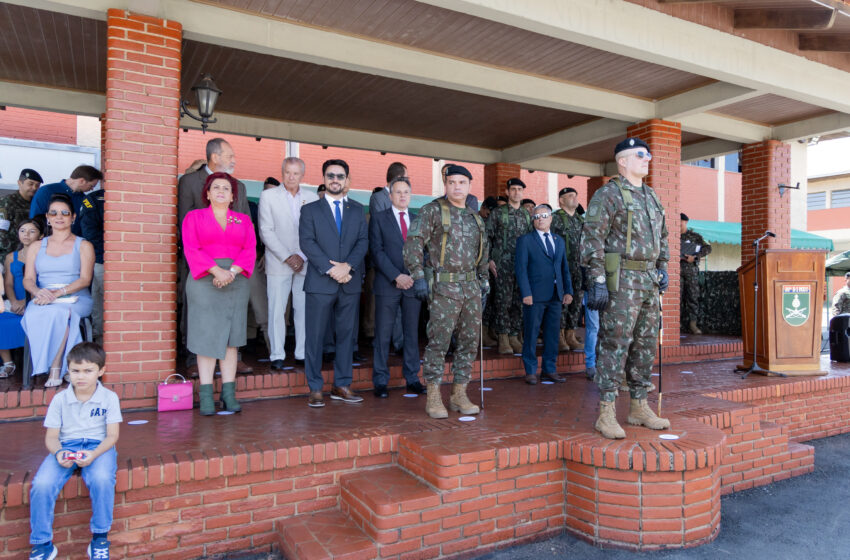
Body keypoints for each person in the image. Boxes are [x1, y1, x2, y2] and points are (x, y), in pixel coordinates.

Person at [582, 137, 670, 439]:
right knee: (615, 343)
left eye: (648, 155)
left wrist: (663, 265)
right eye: (641, 155)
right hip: (621, 281)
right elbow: (592, 239)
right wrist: (597, 280)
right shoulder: (608, 195)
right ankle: (606, 411)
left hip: (647, 281)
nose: (648, 159)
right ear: (623, 161)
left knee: (645, 345)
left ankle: (638, 406)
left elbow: (663, 235)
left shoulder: (651, 196)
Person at [404, 164, 488, 419]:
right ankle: (433, 395)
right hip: (444, 287)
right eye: (452, 182)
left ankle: (459, 393)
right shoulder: (433, 211)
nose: (457, 187)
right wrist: (417, 275)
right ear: (446, 185)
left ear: (469, 186)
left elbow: (482, 251)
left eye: (462, 183)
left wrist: (484, 281)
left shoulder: (475, 216)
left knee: (469, 343)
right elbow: (414, 242)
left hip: (471, 288)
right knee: (438, 342)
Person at [28, 342, 121, 560]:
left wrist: (94, 454)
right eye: (75, 371)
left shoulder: (109, 398)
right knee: (42, 484)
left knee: (101, 479)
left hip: (99, 446)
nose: (81, 377)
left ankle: (100, 537)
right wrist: (59, 453)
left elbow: (112, 436)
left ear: (101, 371)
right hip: (66, 446)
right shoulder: (60, 399)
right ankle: (42, 544)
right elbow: (51, 437)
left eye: (88, 371)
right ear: (68, 371)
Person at [181, 172, 256, 415]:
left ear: (233, 196)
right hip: (204, 279)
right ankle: (205, 395)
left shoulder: (242, 220)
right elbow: (192, 247)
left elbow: (250, 249)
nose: (221, 191)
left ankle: (228, 393)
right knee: (206, 338)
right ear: (208, 193)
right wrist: (216, 271)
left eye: (226, 188)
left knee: (231, 339)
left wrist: (230, 273)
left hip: (236, 279)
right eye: (216, 187)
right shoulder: (194, 217)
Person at [177, 138, 252, 376]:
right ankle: (193, 358)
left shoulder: (239, 185)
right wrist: (211, 268)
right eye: (230, 155)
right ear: (215, 156)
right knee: (199, 316)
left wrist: (231, 271)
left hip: (234, 267)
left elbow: (245, 225)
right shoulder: (189, 181)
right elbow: (183, 221)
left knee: (233, 317)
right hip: (200, 263)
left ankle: (233, 357)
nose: (234, 160)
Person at [299, 159, 369, 408]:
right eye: (331, 175)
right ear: (324, 178)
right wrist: (331, 269)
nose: (335, 180)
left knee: (346, 337)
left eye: (340, 176)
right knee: (315, 337)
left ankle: (342, 384)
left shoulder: (358, 210)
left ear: (347, 180)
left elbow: (363, 242)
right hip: (320, 282)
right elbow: (307, 242)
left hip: (349, 282)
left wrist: (347, 266)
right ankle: (315, 387)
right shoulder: (310, 210)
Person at [22, 194, 94, 387]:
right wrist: (38, 292)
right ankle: (60, 366)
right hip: (43, 296)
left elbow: (85, 279)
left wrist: (58, 293)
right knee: (37, 313)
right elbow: (28, 279)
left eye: (64, 213)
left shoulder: (84, 245)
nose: (59, 216)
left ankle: (56, 368)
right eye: (53, 213)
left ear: (73, 217)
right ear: (47, 217)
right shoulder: (37, 246)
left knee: (59, 313)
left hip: (75, 297)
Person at [259, 158, 317, 370]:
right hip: (278, 261)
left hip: (304, 261)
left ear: (302, 175)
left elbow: (313, 232)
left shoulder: (311, 198)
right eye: (287, 172)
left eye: (295, 173)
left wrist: (301, 255)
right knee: (276, 310)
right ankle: (277, 354)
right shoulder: (268, 196)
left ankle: (301, 353)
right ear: (282, 172)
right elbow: (266, 230)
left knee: (302, 309)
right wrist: (288, 256)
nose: (291, 177)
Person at [369, 176, 425, 398]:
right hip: (388, 283)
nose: (402, 196)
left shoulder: (417, 219)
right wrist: (396, 276)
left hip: (412, 284)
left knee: (411, 333)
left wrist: (414, 276)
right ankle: (380, 380)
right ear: (390, 195)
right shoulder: (379, 218)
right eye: (398, 192)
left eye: (406, 192)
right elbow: (377, 251)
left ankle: (412, 377)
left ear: (411, 196)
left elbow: (423, 250)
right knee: (383, 334)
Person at [515, 204, 573, 384]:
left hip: (556, 295)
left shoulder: (558, 240)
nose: (540, 219)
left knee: (552, 334)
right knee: (531, 333)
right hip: (534, 296)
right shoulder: (525, 240)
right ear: (533, 220)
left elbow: (564, 268)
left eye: (544, 215)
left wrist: (568, 291)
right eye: (537, 216)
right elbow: (521, 269)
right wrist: (526, 292)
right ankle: (530, 371)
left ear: (551, 218)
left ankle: (549, 369)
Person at [486, 178, 532, 354]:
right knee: (502, 301)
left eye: (519, 189)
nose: (516, 192)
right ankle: (503, 337)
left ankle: (514, 335)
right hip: (502, 264)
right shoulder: (498, 213)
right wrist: (489, 259)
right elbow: (487, 237)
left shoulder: (527, 214)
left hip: (521, 265)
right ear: (507, 192)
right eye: (513, 189)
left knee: (519, 301)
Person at [1, 219, 44, 378]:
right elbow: (8, 284)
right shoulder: (11, 257)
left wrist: (27, 303)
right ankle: (8, 363)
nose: (26, 234)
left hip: (37, 301)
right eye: (23, 230)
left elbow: (43, 282)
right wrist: (14, 302)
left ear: (41, 235)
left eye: (32, 231)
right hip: (15, 302)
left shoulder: (44, 256)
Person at [551, 187, 585, 351]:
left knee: (576, 303)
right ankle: (559, 335)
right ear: (561, 201)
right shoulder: (555, 219)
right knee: (562, 302)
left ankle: (571, 334)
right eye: (569, 196)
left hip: (579, 268)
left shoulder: (580, 220)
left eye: (575, 195)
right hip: (562, 267)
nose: (574, 198)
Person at [30, 166, 102, 237]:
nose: (92, 189)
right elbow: (35, 220)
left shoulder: (85, 200)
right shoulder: (46, 191)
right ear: (82, 181)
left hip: (75, 245)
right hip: (48, 244)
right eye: (91, 186)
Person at [79, 188, 105, 345]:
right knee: (100, 302)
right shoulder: (94, 199)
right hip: (102, 260)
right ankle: (100, 343)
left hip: (129, 261)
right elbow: (90, 233)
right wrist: (106, 255)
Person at [0, 168, 43, 261]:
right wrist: (17, 252)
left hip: (31, 254)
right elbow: (1, 234)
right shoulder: (6, 203)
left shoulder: (37, 204)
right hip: (7, 256)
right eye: (30, 184)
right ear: (20, 183)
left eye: (37, 185)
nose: (34, 188)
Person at [680, 213, 712, 334]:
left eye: (681, 222)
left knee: (692, 297)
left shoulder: (695, 236)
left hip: (691, 272)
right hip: (676, 271)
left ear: (685, 222)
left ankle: (693, 324)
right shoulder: (671, 236)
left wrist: (695, 257)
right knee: (676, 298)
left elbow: (708, 248)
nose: (678, 225)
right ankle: (675, 324)